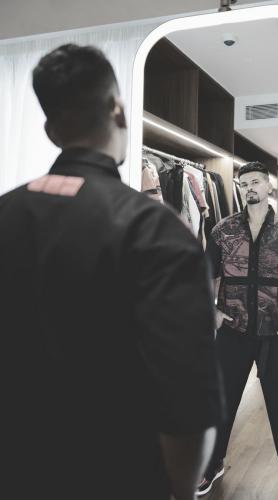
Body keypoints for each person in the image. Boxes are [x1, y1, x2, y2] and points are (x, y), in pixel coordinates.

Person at [0, 44, 221, 500]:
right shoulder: (156, 230)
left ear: (50, 129)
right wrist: (180, 491)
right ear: (118, 110)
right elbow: (186, 403)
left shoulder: (6, 211)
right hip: (118, 477)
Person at [199, 161, 278, 500]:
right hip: (232, 331)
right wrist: (214, 312)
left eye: (256, 182)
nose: (250, 188)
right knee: (220, 401)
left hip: (275, 333)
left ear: (268, 186)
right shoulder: (222, 231)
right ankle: (212, 463)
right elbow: (206, 275)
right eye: (244, 183)